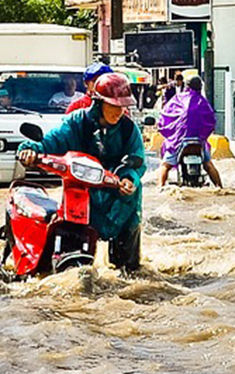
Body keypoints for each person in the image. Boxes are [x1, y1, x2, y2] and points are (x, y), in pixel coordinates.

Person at [17, 72, 144, 274]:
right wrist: (31, 149)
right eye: (114, 105)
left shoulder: (129, 129)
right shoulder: (77, 122)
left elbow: (137, 159)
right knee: (71, 240)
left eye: (123, 106)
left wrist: (130, 178)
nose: (119, 111)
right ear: (99, 102)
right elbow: (52, 142)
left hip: (119, 192)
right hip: (83, 189)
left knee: (130, 269)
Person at [156, 72, 222, 187]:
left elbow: (165, 116)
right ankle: (219, 187)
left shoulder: (177, 99)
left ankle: (160, 188)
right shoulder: (203, 102)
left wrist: (162, 127)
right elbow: (211, 121)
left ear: (186, 86)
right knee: (208, 165)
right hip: (198, 142)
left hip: (178, 142)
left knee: (165, 165)